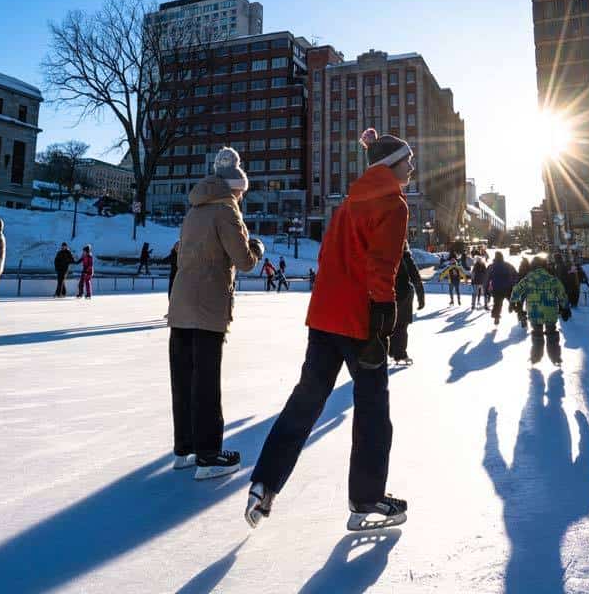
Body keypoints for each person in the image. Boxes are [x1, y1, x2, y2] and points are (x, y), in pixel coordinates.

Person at [246, 128, 413, 531]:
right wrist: (383, 315)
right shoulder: (393, 204)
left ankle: (264, 483)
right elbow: (382, 265)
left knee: (307, 400)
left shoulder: (348, 203)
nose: (413, 167)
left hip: (324, 316)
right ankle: (366, 498)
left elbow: (327, 256)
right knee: (374, 407)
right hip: (358, 319)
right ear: (391, 166)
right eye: (409, 160)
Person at [168, 147, 264, 480]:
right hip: (208, 304)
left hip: (180, 304)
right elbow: (244, 261)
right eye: (241, 191)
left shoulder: (194, 209)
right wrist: (256, 247)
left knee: (184, 378)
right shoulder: (226, 210)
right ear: (234, 187)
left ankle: (185, 450)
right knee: (206, 381)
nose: (241, 197)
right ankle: (208, 455)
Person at [510, 257, 570, 365]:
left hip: (534, 312)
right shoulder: (552, 279)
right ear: (545, 266)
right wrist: (565, 307)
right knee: (552, 334)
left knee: (537, 334)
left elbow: (516, 290)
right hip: (550, 312)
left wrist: (513, 302)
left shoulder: (528, 279)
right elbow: (562, 294)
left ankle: (535, 357)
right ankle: (555, 357)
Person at [390, 241, 425, 366]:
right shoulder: (406, 258)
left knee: (390, 325)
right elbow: (416, 278)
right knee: (401, 326)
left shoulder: (386, 255)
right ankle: (400, 354)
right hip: (403, 296)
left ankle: (391, 351)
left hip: (388, 295)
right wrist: (421, 299)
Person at [486, 251, 518, 325]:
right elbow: (515, 274)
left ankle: (496, 317)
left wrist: (486, 289)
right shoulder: (508, 265)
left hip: (496, 288)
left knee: (497, 303)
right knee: (511, 299)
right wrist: (513, 283)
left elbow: (487, 278)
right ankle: (515, 308)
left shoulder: (492, 266)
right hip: (507, 287)